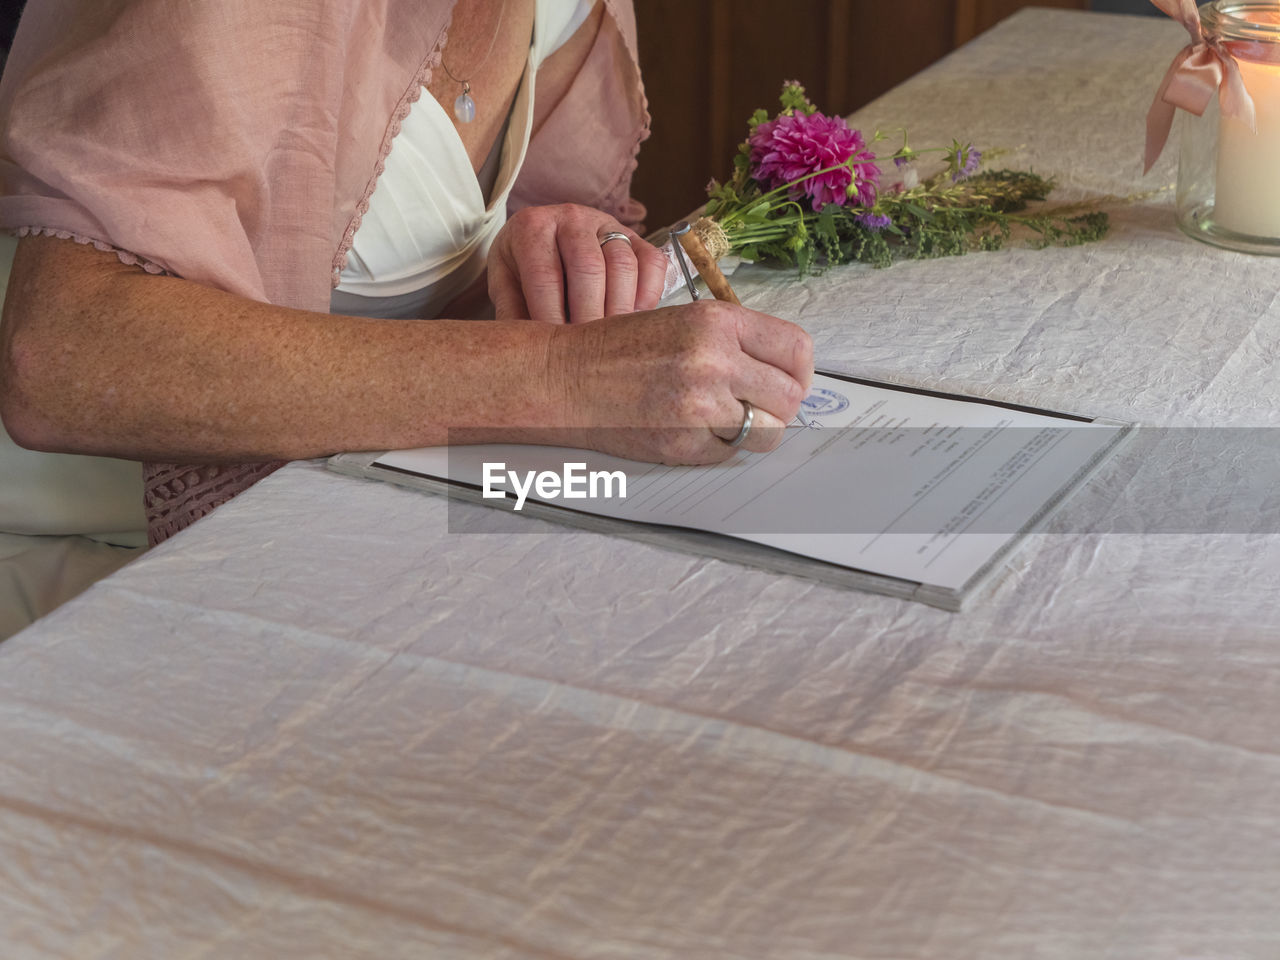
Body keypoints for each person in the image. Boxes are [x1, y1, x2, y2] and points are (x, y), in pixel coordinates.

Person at [0, 0, 813, 548]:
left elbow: (434, 248)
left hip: (347, 494)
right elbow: (62, 359)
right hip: (86, 546)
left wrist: (543, 256)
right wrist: (565, 379)